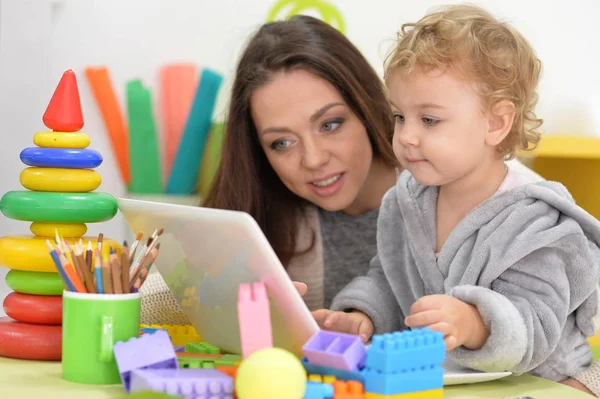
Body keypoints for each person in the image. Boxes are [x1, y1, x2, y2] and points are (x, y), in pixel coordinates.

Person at [314, 4, 600, 386]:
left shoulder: (537, 222)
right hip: (450, 380)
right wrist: (362, 317)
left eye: (429, 120)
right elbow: (389, 280)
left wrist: (476, 323)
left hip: (546, 379)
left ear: (496, 122)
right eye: (400, 117)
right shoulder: (405, 203)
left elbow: (538, 321)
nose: (407, 136)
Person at [139, 15, 399, 324]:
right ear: (259, 151)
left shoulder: (439, 188)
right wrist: (218, 290)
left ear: (366, 107)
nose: (313, 159)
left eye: (330, 124)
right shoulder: (269, 212)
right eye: (282, 143)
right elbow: (141, 302)